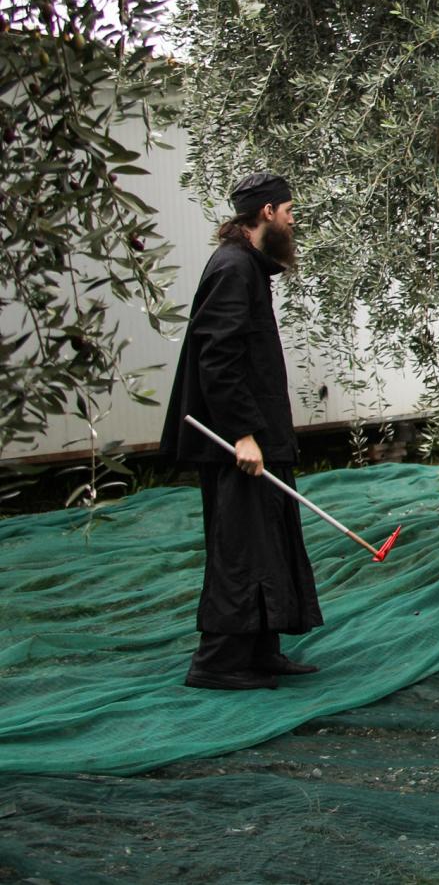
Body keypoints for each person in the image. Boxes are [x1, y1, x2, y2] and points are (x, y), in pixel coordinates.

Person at [159, 172, 323, 691]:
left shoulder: (249, 266)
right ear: (268, 212)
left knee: (267, 539)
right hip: (239, 441)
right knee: (241, 547)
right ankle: (218, 662)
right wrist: (243, 435)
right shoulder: (233, 268)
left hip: (259, 435)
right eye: (290, 211)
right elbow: (218, 357)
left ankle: (259, 649)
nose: (295, 222)